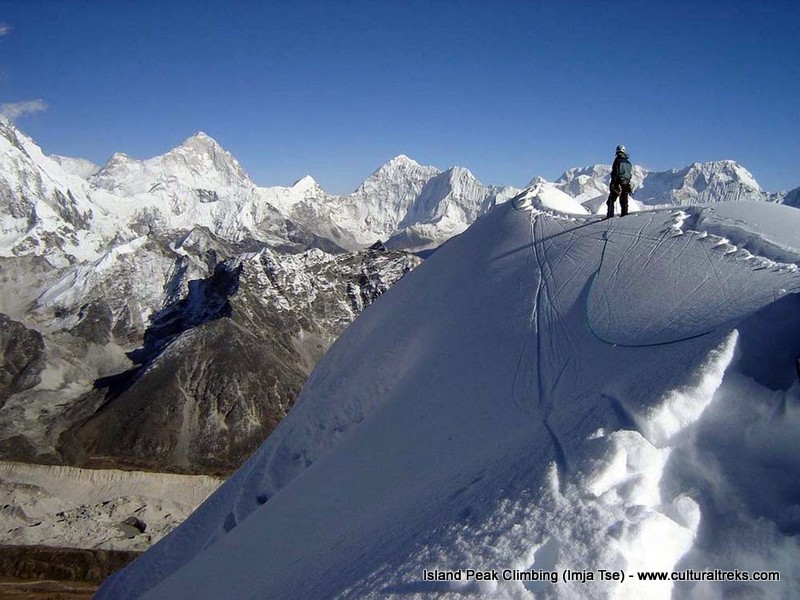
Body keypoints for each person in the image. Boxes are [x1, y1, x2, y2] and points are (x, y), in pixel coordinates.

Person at [607, 145, 633, 218]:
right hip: (626, 183)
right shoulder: (628, 163)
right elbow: (630, 174)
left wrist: (613, 184)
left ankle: (610, 216)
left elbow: (615, 173)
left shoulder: (617, 161)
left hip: (617, 183)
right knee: (624, 201)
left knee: (611, 201)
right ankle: (624, 215)